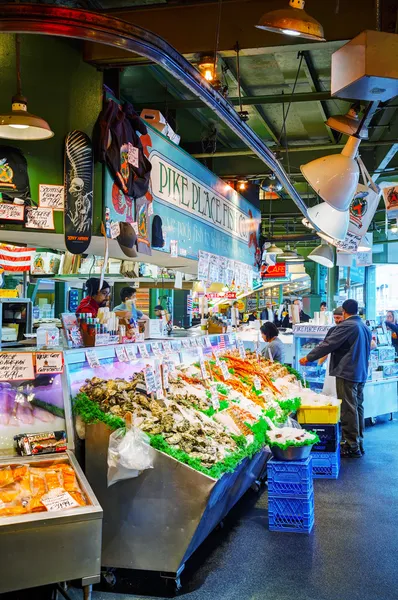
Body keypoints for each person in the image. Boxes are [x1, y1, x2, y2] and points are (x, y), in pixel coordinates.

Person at [299, 299, 371, 458]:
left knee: (348, 408)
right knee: (357, 407)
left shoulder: (347, 325)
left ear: (344, 312)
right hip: (361, 372)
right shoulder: (365, 326)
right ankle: (358, 441)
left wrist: (308, 357)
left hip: (347, 372)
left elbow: (328, 344)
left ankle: (351, 445)